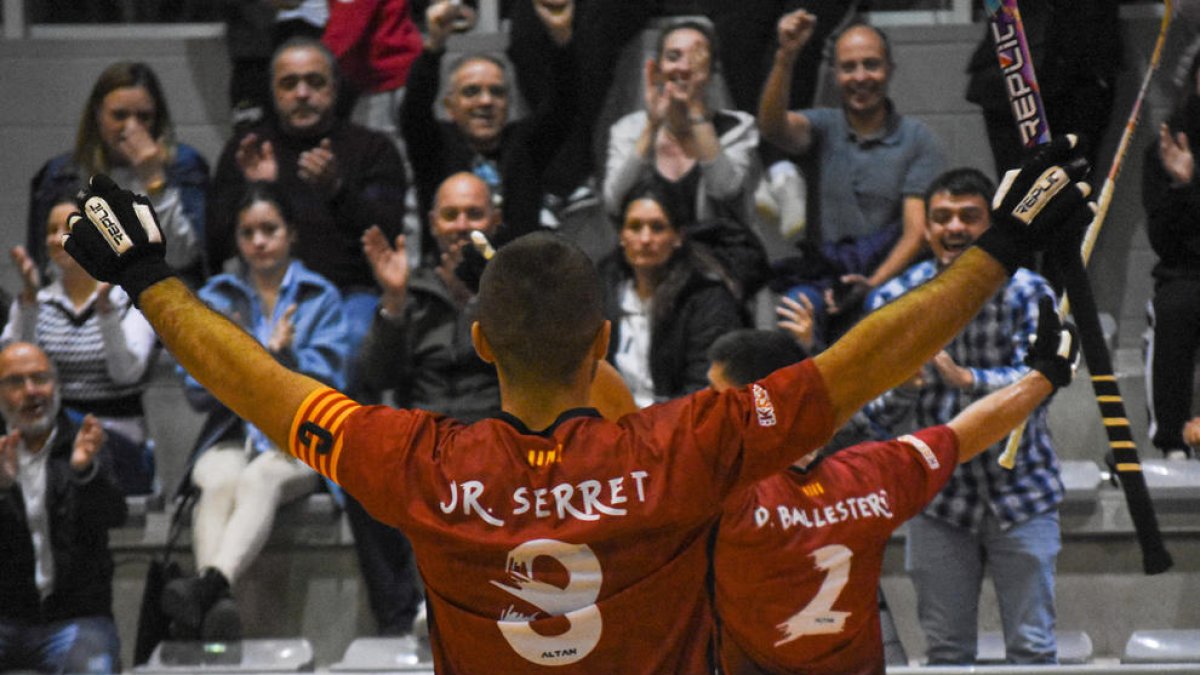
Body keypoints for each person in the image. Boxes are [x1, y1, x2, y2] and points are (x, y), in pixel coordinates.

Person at [61, 133, 1092, 672]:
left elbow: (276, 395)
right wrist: (994, 250)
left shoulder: (425, 464)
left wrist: (152, 280)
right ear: (603, 343)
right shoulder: (683, 445)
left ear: (478, 342)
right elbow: (864, 364)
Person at [707, 314, 1078, 674]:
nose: (703, 411)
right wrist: (1042, 378)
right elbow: (964, 434)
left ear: (759, 405)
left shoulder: (721, 498)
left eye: (715, 398)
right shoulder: (870, 476)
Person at [864, 167, 1064, 665]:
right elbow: (872, 416)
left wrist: (968, 381)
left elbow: (1043, 383)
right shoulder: (894, 300)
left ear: (990, 224)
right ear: (927, 227)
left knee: (1034, 648)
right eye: (942, 217)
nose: (954, 228)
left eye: (969, 217)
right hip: (938, 497)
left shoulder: (1029, 292)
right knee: (946, 653)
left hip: (1022, 491)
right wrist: (902, 388)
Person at [164, 182, 349, 642]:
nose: (259, 241)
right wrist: (250, 360)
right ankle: (215, 596)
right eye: (248, 232)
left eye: (270, 229)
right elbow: (194, 389)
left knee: (259, 477)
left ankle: (207, 591)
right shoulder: (215, 297)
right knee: (220, 480)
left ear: (291, 234)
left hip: (301, 441)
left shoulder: (319, 296)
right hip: (232, 436)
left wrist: (279, 362)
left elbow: (331, 388)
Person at [349, 171, 504, 638]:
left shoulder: (513, 289)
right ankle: (401, 618)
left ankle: (458, 602)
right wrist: (394, 302)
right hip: (426, 434)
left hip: (497, 433)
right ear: (433, 223)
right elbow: (375, 377)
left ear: (495, 220)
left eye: (474, 214)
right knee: (360, 477)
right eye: (452, 214)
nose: (462, 225)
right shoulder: (412, 290)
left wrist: (482, 294)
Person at [207, 36, 407, 379]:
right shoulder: (248, 149)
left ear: (334, 87)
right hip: (262, 295)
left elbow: (386, 233)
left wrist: (337, 190)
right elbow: (214, 243)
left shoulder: (372, 149)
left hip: (349, 292)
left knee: (356, 342)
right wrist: (258, 189)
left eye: (314, 82)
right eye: (289, 84)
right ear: (273, 92)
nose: (302, 93)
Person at [760, 12, 945, 342]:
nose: (860, 77)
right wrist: (785, 57)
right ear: (835, 75)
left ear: (889, 69)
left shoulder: (918, 140)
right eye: (848, 67)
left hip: (891, 280)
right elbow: (773, 127)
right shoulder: (822, 127)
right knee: (792, 308)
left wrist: (871, 285)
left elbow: (916, 234)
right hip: (826, 277)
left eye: (871, 64)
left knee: (879, 308)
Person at [4, 194, 158, 495]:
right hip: (53, 441)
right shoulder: (35, 302)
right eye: (51, 229)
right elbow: (15, 370)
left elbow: (125, 374)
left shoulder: (131, 300)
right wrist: (30, 304)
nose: (59, 237)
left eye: (71, 226)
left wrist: (105, 313)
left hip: (119, 439)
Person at [401, 0, 574, 254]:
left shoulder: (526, 146)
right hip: (446, 280)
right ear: (450, 106)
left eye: (497, 92)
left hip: (516, 281)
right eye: (471, 92)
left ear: (508, 103)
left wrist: (562, 41)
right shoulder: (434, 148)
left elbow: (563, 106)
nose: (485, 101)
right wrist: (434, 46)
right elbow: (414, 110)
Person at [0, 342, 128, 674]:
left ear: (56, 386)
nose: (31, 391)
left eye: (39, 378)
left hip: (76, 617)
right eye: (15, 382)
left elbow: (115, 515)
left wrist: (84, 472)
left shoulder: (84, 440)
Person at [29, 61, 207, 283]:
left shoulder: (183, 164)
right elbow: (48, 263)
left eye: (144, 117)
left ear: (157, 119)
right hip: (89, 300)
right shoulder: (63, 173)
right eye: (119, 115)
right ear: (97, 115)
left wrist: (153, 179)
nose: (131, 127)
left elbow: (181, 258)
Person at [603, 19, 761, 236]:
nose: (684, 68)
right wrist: (652, 126)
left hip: (719, 257)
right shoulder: (629, 129)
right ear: (657, 69)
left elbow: (724, 190)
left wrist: (696, 109)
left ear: (712, 71)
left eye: (696, 59)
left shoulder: (738, 127)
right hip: (653, 256)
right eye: (673, 57)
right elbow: (614, 202)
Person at [599, 184, 746, 407]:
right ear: (621, 236)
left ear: (678, 237)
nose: (645, 239)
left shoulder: (707, 298)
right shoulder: (603, 288)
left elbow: (706, 390)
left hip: (678, 428)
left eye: (657, 228)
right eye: (635, 227)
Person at [1143, 52, 1200, 460]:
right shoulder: (1166, 147)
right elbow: (1163, 240)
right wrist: (1182, 185)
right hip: (1185, 272)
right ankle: (1171, 442)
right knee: (1176, 308)